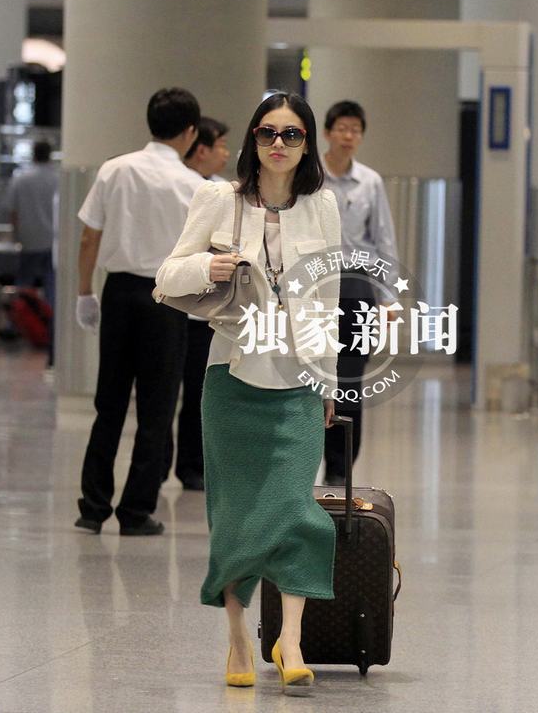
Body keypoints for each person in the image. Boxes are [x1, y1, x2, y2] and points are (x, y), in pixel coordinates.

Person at [156, 92, 341, 694]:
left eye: (291, 134)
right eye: (268, 133)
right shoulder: (219, 198)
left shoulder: (322, 206)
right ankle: (238, 637)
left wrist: (328, 381)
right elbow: (167, 275)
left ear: (307, 144)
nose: (278, 144)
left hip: (297, 381)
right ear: (252, 141)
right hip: (231, 378)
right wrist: (206, 269)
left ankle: (290, 640)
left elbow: (329, 300)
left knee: (295, 510)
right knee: (235, 514)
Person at [74, 87, 203, 536]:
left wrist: (85, 293)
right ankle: (135, 511)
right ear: (190, 132)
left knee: (108, 402)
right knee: (156, 407)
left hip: (119, 292)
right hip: (167, 298)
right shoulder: (194, 185)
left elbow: (89, 237)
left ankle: (92, 508)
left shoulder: (115, 168)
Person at [322, 100, 398, 485]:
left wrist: (389, 297)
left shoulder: (370, 182)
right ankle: (308, 460)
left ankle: (340, 468)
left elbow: (384, 239)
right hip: (316, 286)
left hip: (357, 287)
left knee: (350, 380)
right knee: (312, 375)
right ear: (327, 133)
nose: (349, 136)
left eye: (355, 130)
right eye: (342, 128)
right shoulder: (310, 176)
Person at [164, 117, 230, 490]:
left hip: (206, 311)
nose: (226, 153)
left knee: (197, 392)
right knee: (163, 392)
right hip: (173, 303)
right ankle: (160, 466)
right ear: (201, 149)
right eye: (221, 145)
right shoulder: (181, 187)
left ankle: (192, 465)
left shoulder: (223, 192)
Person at [7, 140, 59, 365]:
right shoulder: (58, 178)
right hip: (52, 241)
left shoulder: (21, 178)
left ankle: (18, 326)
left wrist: (16, 236)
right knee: (51, 288)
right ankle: (50, 327)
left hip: (29, 240)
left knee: (24, 287)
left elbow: (13, 211)